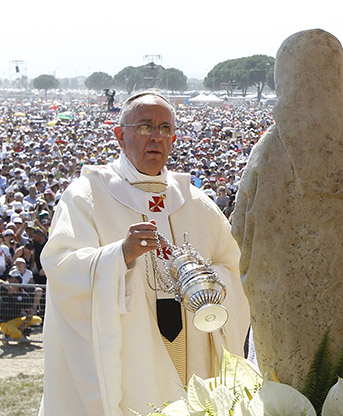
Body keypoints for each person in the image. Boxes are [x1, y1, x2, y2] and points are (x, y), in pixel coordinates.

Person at [39, 92, 251, 415]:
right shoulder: (87, 197)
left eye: (165, 129)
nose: (156, 137)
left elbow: (234, 267)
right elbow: (60, 265)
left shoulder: (197, 203)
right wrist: (118, 257)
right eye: (145, 126)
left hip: (191, 351)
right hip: (129, 351)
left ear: (174, 138)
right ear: (120, 135)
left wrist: (208, 282)